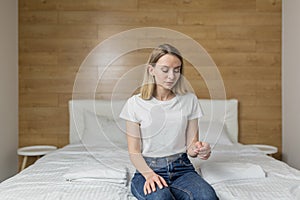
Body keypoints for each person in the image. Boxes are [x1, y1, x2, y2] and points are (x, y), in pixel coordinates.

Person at [120, 44, 219, 200]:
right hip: (148, 169)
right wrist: (149, 175)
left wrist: (201, 150)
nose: (172, 76)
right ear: (151, 70)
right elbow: (134, 152)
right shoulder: (134, 104)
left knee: (208, 197)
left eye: (177, 70)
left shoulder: (189, 100)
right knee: (162, 198)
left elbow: (191, 147)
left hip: (183, 169)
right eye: (165, 70)